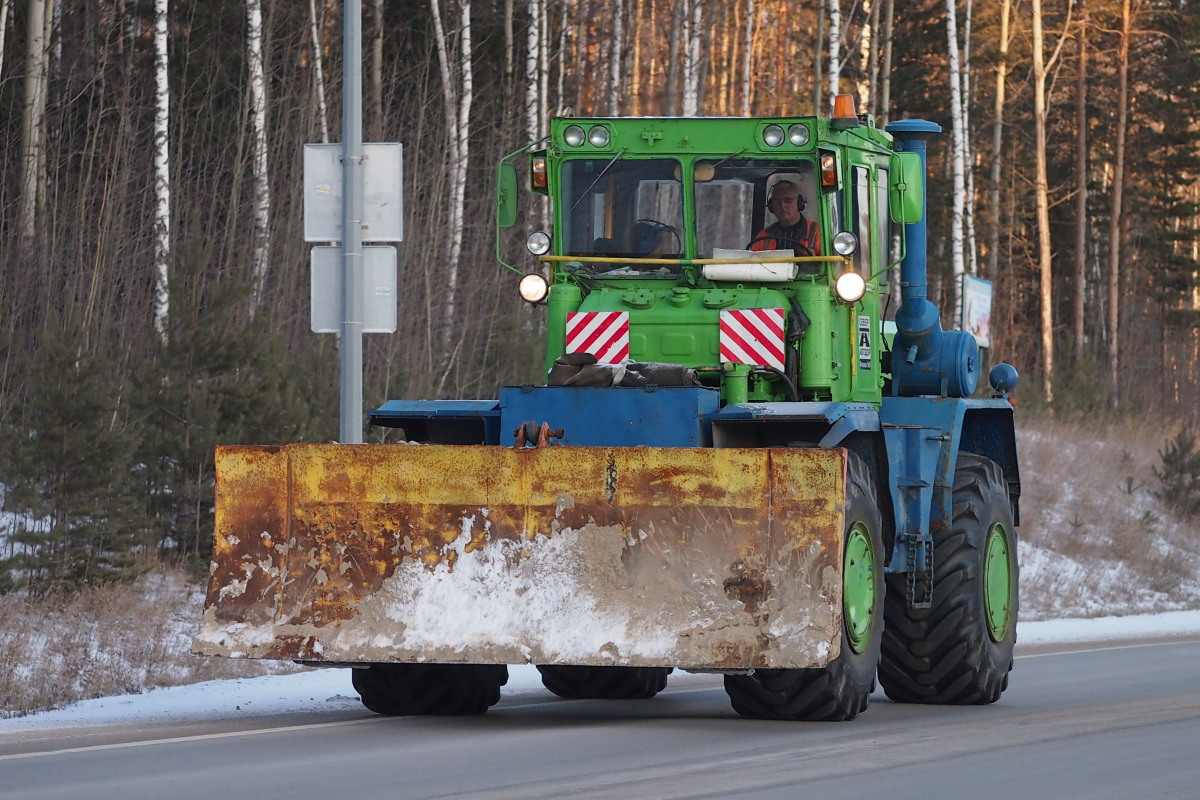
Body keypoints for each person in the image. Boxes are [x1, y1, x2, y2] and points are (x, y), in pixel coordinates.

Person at [750, 180, 821, 254]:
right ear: (771, 205)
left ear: (799, 203)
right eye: (777, 201)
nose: (782, 206)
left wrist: (814, 260)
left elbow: (829, 262)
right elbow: (752, 261)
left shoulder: (816, 232)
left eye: (788, 200)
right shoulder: (764, 236)